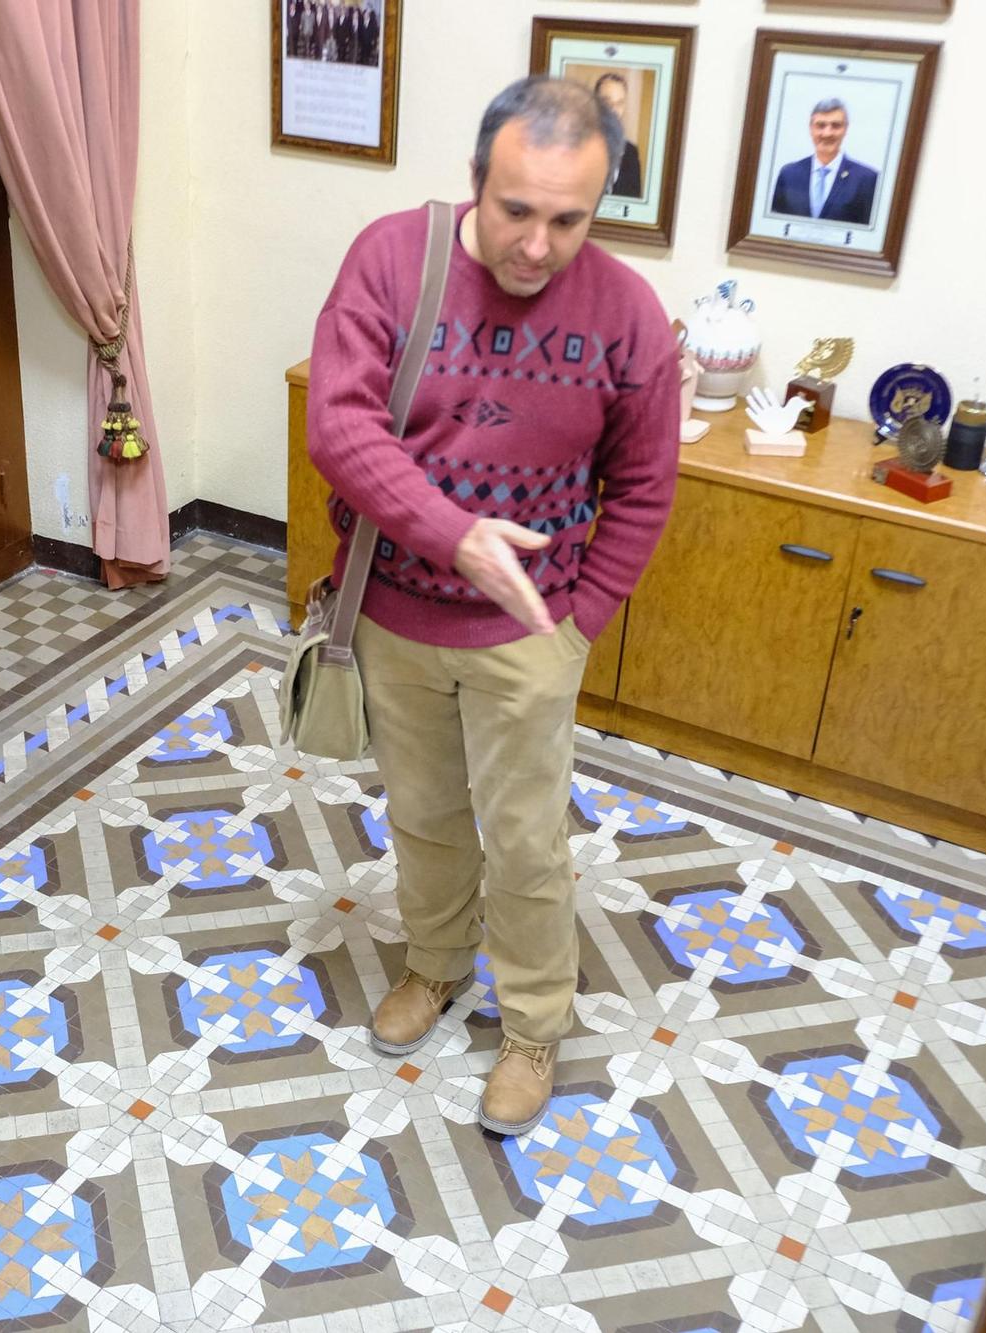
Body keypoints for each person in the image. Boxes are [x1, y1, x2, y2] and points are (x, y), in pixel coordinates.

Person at [308, 77, 678, 1137]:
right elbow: (338, 428)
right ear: (476, 180)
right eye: (516, 209)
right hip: (394, 616)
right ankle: (431, 966)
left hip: (529, 634)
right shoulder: (390, 259)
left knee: (524, 842)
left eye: (568, 218)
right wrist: (454, 534)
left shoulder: (623, 312)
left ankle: (530, 1026)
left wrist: (582, 617)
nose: (536, 243)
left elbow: (644, 485)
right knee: (423, 816)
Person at [770, 97, 878, 225]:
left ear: (845, 129)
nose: (827, 133)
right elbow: (775, 224)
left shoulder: (867, 179)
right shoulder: (788, 174)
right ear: (811, 128)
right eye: (820, 125)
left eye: (836, 126)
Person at [593, 72, 645, 199]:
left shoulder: (631, 152)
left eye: (619, 103)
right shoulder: (577, 146)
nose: (613, 109)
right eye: (607, 101)